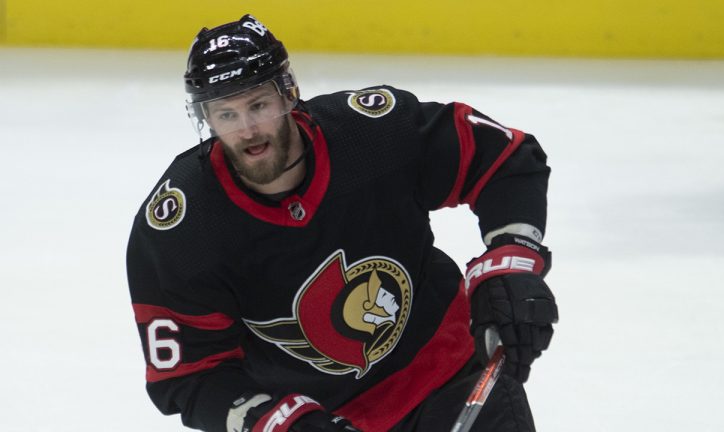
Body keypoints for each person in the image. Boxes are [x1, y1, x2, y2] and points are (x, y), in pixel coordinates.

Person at [126, 14, 558, 432]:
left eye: (258, 104)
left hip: (452, 371)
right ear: (207, 120)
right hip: (324, 417)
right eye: (227, 115)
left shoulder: (372, 135)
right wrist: (280, 421)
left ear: (288, 93)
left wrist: (510, 259)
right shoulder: (182, 228)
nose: (248, 130)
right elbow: (190, 375)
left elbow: (503, 160)